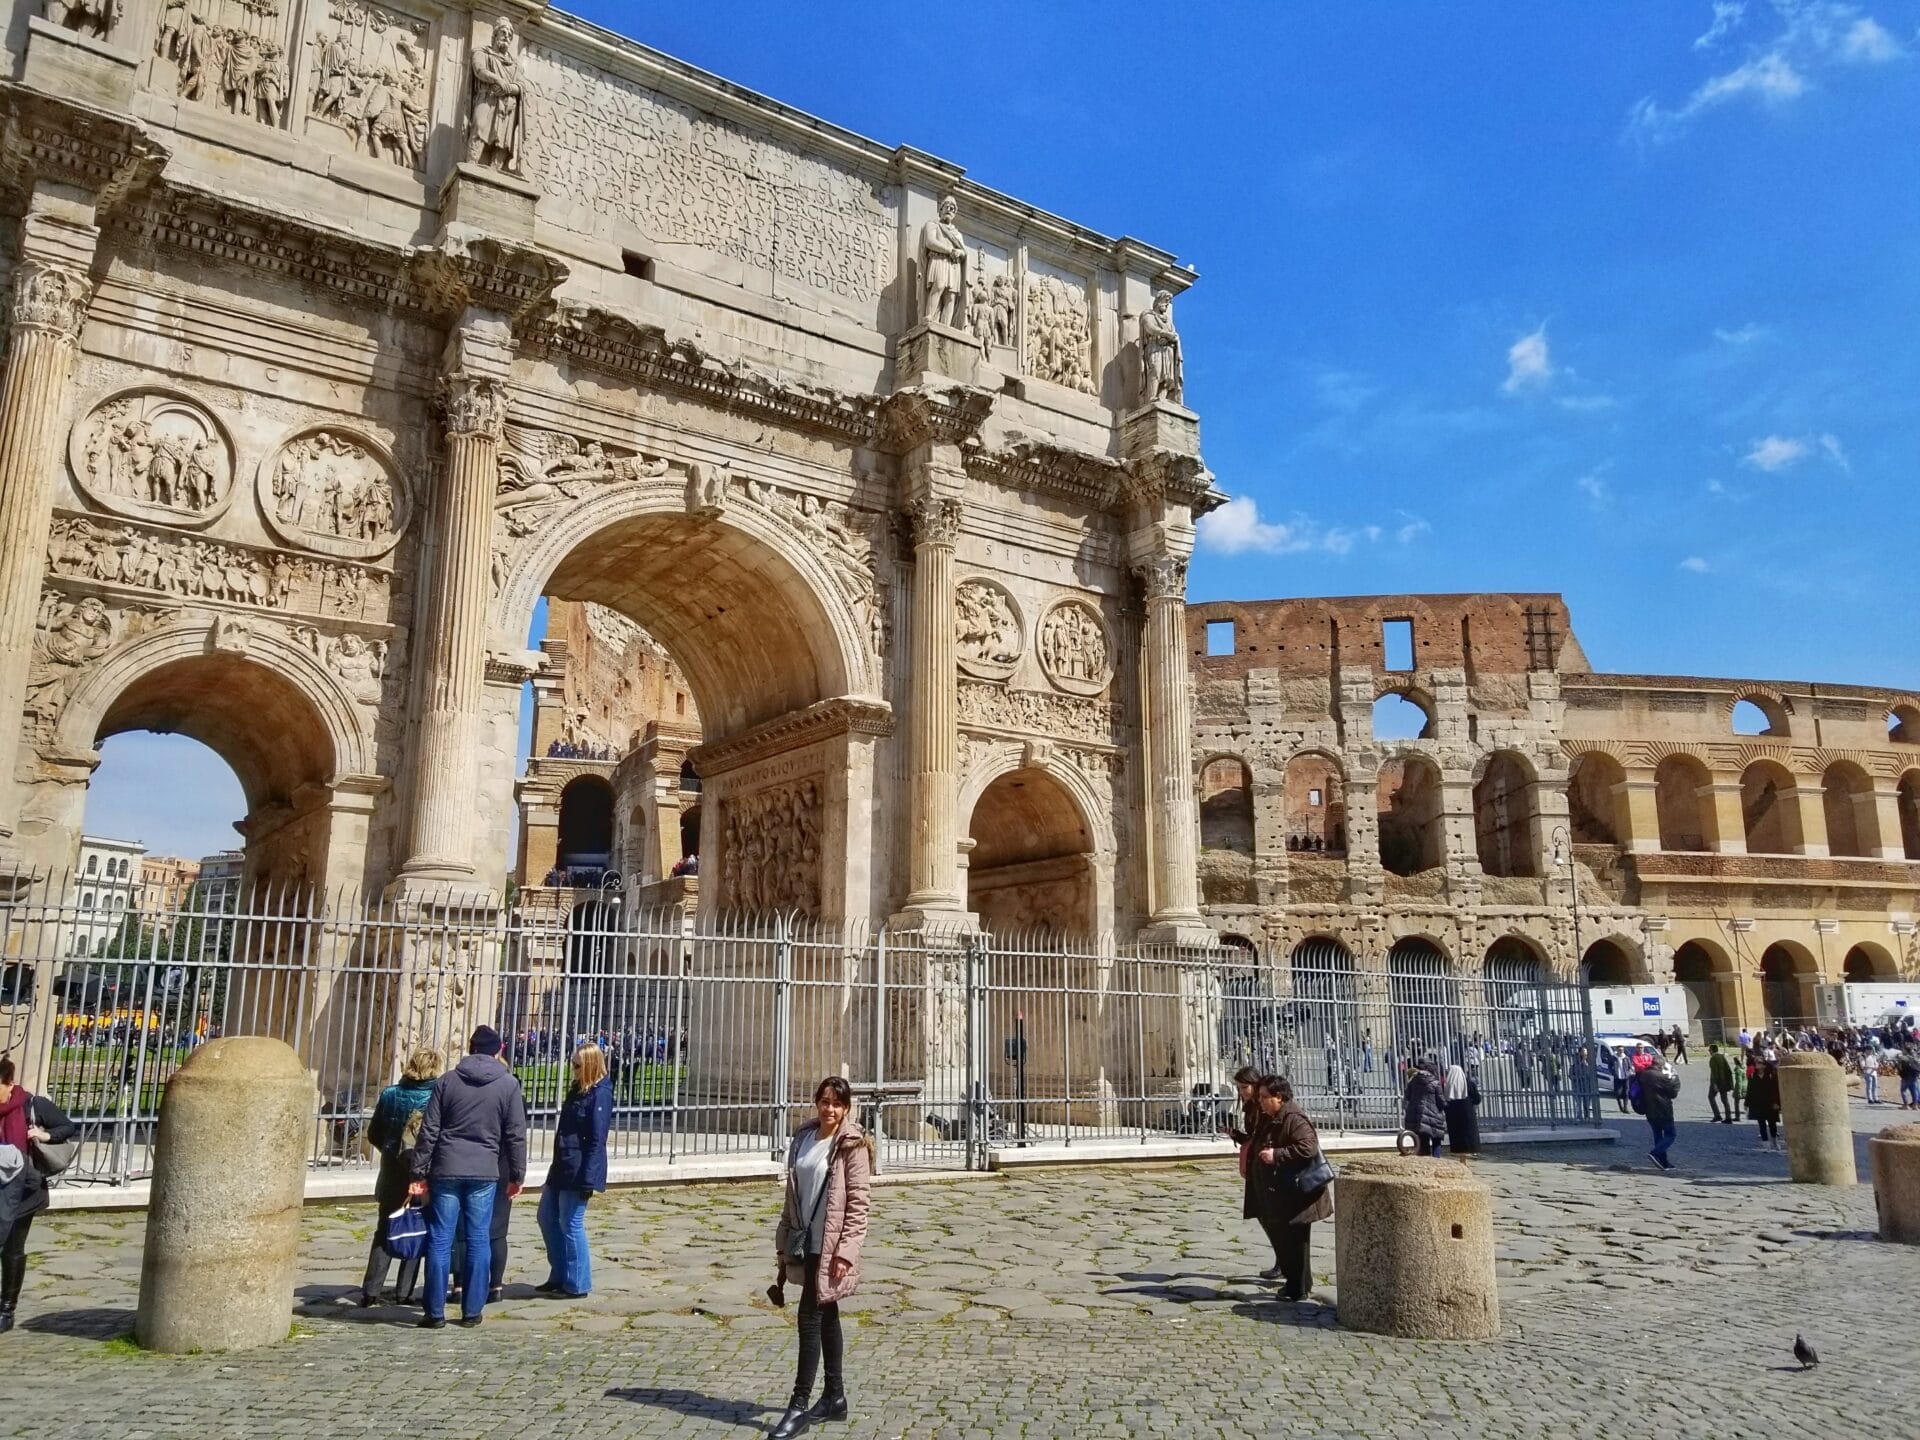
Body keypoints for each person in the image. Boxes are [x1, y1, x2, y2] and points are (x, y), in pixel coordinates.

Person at [769, 1077, 874, 1440]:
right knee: (827, 1314)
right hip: (805, 1240)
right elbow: (792, 1195)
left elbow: (859, 1205)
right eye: (824, 1101)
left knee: (809, 1317)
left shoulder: (853, 1145)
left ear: (846, 1108)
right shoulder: (804, 1138)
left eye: (837, 1103)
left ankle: (798, 1405)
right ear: (816, 1102)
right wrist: (784, 1239)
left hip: (830, 1247)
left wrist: (846, 1251)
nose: (829, 1108)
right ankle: (835, 1396)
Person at [410, 1025, 528, 1329]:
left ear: (470, 1049)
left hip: (446, 1167)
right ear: (499, 1050)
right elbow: (515, 1135)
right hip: (485, 1171)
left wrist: (418, 1172)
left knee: (440, 1239)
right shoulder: (508, 1084)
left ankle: (434, 1312)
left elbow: (429, 1131)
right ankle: (472, 1310)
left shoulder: (448, 1081)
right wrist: (517, 1174)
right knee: (478, 1239)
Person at [0, 1057, 78, 1332]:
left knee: (11, 1247)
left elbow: (67, 1126)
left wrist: (43, 1136)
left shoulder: (32, 1105)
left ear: (10, 1083)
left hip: (24, 1189)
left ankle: (6, 1310)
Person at [359, 1046, 441, 1306]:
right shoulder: (437, 1095)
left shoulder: (391, 1094)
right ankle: (404, 1291)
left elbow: (373, 1133)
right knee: (416, 1229)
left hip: (392, 1171)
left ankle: (371, 1290)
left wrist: (389, 1150)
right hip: (423, 1171)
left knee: (385, 1229)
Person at [538, 1042, 613, 1298]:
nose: (573, 1069)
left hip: (579, 1168)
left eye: (578, 1065)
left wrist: (589, 1179)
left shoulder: (599, 1094)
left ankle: (578, 1282)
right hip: (562, 1163)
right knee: (547, 1217)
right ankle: (559, 1273)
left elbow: (596, 1139)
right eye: (573, 1064)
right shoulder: (578, 1089)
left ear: (590, 1066)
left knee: (571, 1224)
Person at [1249, 1075, 1332, 1302]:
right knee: (1291, 1240)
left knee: (1295, 1242)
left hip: (1301, 1192)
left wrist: (1276, 1154)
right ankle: (1299, 1285)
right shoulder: (1274, 1116)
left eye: (1265, 1097)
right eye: (1260, 1097)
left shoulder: (1294, 1118)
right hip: (1287, 1191)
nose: (1261, 1101)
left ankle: (1297, 1288)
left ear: (1280, 1097)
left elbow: (1308, 1147)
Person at [1222, 1063, 1282, 1277]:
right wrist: (1234, 1134)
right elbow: (1253, 1137)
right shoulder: (1250, 1107)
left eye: (1243, 1088)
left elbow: (1265, 1136)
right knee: (1263, 1216)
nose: (1241, 1093)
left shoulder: (1264, 1107)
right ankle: (1281, 1259)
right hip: (1256, 1165)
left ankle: (1283, 1260)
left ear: (1254, 1085)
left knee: (1271, 1216)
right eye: (1238, 1088)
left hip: (1266, 1166)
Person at [1637, 1059, 1680, 1171]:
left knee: (1658, 1135)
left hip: (1649, 1110)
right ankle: (1656, 1153)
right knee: (1671, 1134)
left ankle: (1663, 1162)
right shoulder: (1661, 1077)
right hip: (1663, 1110)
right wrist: (1675, 1080)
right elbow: (1673, 1093)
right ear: (1661, 1065)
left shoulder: (1644, 1075)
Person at [1402, 1053, 1446, 1156]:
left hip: (1418, 1116)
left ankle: (1426, 1163)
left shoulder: (1412, 1081)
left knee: (1422, 1142)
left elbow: (1407, 1097)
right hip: (1434, 1116)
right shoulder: (1435, 1082)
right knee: (1436, 1141)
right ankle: (1436, 1163)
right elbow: (1440, 1100)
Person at [1443, 1057, 1480, 1156]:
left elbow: (1444, 1101)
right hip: (1468, 1114)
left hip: (1453, 1115)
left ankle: (1460, 1154)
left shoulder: (1447, 1085)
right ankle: (1469, 1152)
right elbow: (1477, 1099)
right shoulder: (1469, 1084)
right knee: (1468, 1135)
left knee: (1457, 1136)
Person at [1748, 1049, 1783, 1151]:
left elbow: (1776, 1090)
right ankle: (1766, 1145)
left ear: (1764, 1065)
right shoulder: (1753, 1076)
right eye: (1756, 1063)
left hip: (1770, 1104)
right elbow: (1750, 1090)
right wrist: (1747, 1103)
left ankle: (1775, 1142)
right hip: (1759, 1104)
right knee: (1761, 1124)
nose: (1756, 1065)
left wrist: (1777, 1103)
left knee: (1772, 1124)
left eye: (1759, 1063)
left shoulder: (1771, 1076)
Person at [1707, 1043, 1737, 1125]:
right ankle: (1728, 1117)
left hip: (1717, 1082)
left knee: (1711, 1097)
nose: (1709, 1051)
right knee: (1725, 1100)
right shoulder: (1722, 1057)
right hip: (1724, 1082)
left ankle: (1717, 1115)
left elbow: (1714, 1072)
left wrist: (1715, 1084)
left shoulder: (1713, 1058)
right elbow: (1728, 1070)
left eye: (1709, 1050)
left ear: (1712, 1050)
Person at [1610, 1045, 1633, 1113]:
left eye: (1622, 1050)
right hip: (1617, 1078)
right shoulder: (1613, 1058)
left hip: (1625, 1078)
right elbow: (1609, 1066)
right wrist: (1613, 1072)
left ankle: (1626, 1108)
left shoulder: (1626, 1058)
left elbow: (1630, 1066)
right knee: (1618, 1093)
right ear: (1617, 1050)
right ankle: (1620, 1106)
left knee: (1626, 1093)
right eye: (1619, 1049)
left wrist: (1628, 1073)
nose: (1621, 1051)